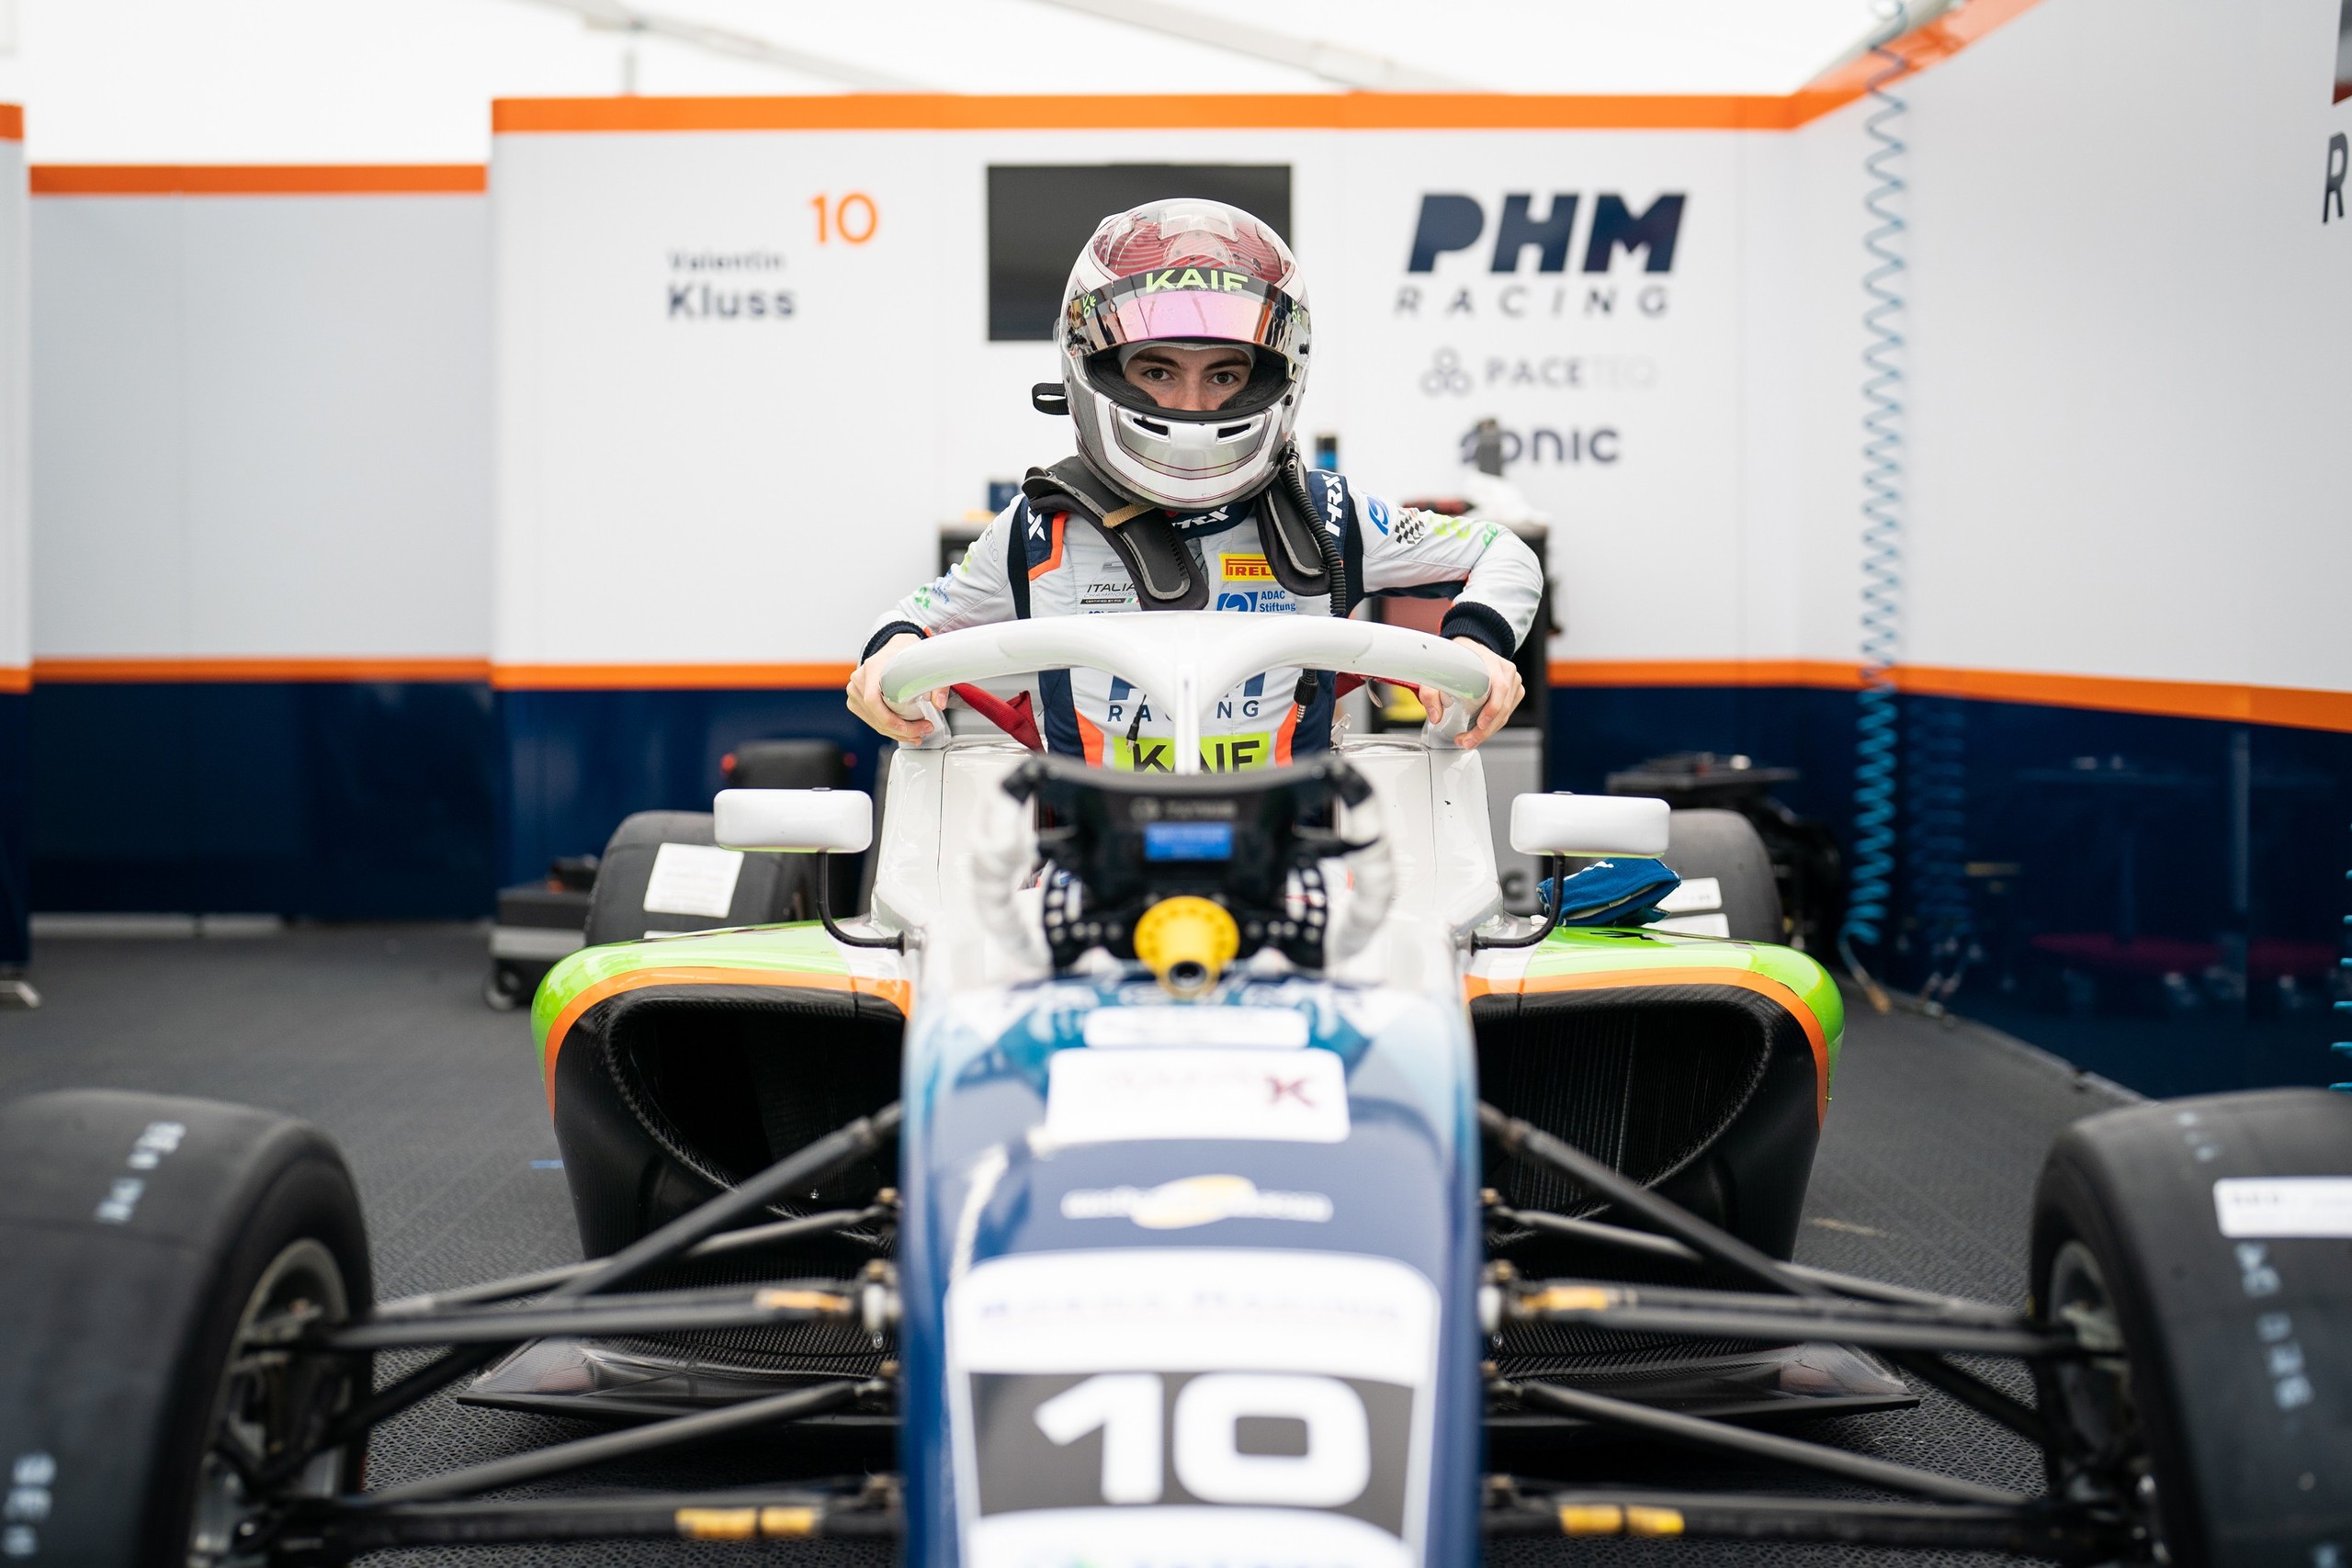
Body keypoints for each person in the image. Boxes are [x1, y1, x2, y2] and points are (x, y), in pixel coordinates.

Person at [846, 197, 1542, 771]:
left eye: (1224, 375)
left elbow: (1502, 550)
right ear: (1095, 366)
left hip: (1293, 869)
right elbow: (907, 622)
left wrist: (1477, 644)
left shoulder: (1328, 513)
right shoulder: (1039, 528)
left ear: (1276, 376)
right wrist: (889, 660)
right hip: (1086, 871)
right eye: (1157, 371)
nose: (1191, 405)